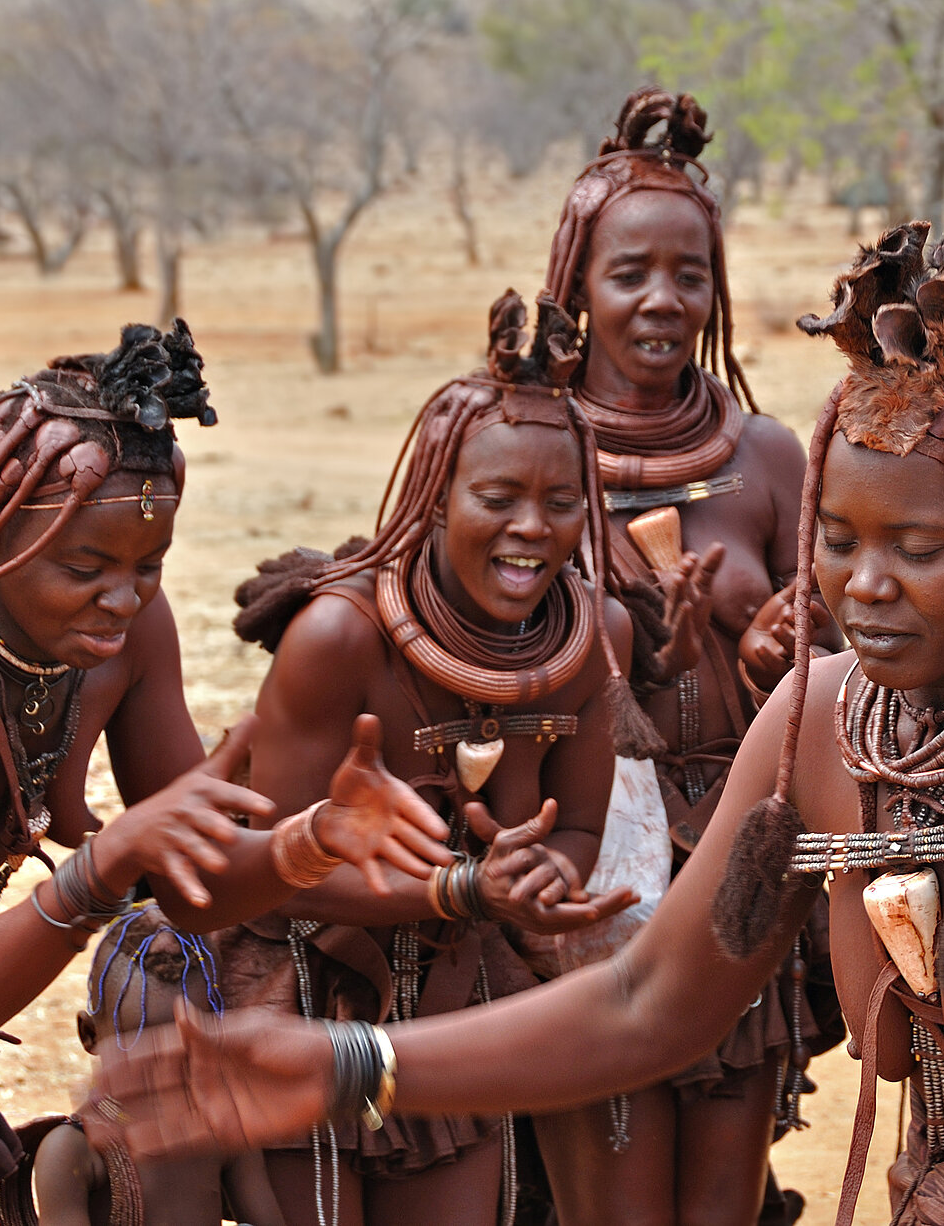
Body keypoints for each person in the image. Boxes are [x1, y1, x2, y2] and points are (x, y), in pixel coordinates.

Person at [87, 198, 944, 1226]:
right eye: (839, 539)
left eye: (918, 548)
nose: (862, 585)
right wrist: (350, 1061)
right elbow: (648, 999)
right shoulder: (817, 721)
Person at [0, 324, 453, 1217]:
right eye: (85, 566)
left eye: (149, 566)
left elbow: (196, 885)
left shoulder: (127, 638)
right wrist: (100, 873)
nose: (125, 596)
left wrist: (305, 843)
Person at [221, 292, 660, 1226]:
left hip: (456, 1001)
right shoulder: (339, 636)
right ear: (436, 500)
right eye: (497, 499)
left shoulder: (591, 635)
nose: (533, 529)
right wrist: (461, 889)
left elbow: (575, 825)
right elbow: (272, 879)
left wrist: (541, 880)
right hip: (307, 988)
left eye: (560, 502)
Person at [531, 87, 840, 1226]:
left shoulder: (764, 455)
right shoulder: (524, 446)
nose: (662, 301)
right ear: (577, 286)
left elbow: (838, 635)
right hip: (584, 861)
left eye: (690, 275)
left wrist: (775, 645)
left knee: (723, 1199)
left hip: (735, 857)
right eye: (628, 275)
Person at [0, 902, 288, 1226]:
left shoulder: (222, 1129)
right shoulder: (72, 1150)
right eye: (138, 1050)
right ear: (89, 1034)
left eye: (184, 1049)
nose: (159, 1070)